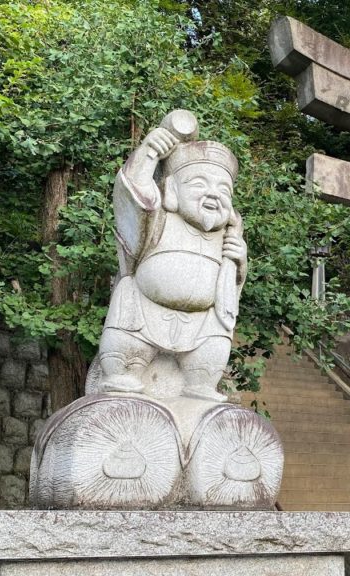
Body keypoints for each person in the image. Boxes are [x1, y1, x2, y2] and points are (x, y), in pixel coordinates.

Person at [92, 121, 247, 401]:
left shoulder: (227, 235)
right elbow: (136, 197)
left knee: (215, 343)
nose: (213, 194)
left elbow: (230, 291)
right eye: (200, 184)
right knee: (126, 312)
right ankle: (121, 374)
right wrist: (150, 151)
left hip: (202, 322)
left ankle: (200, 383)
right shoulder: (159, 219)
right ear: (172, 191)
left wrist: (239, 261)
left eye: (224, 190)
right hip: (144, 309)